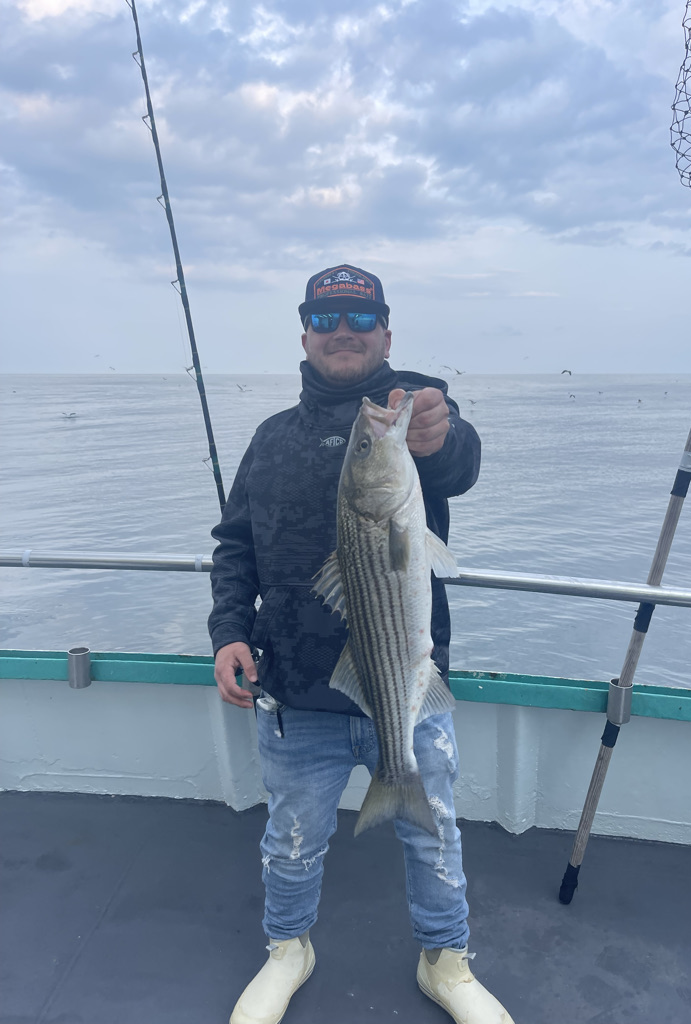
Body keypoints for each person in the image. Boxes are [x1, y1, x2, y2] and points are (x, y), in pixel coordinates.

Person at [208, 264, 514, 1024]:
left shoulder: (406, 423)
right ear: (305, 331)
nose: (343, 331)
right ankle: (289, 948)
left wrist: (435, 435)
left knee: (435, 838)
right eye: (326, 317)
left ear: (385, 333)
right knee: (291, 839)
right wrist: (228, 633)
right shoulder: (270, 437)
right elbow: (234, 547)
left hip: (409, 683)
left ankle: (446, 959)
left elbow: (458, 460)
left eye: (361, 317)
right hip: (296, 691)